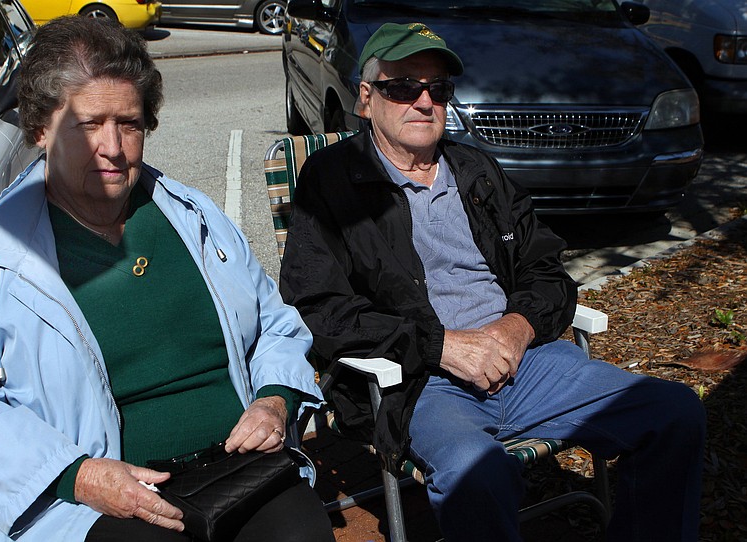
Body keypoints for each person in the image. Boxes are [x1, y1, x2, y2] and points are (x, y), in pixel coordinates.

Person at [0, 16, 334, 542]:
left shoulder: (191, 217)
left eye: (128, 123)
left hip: (236, 471)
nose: (114, 146)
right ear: (41, 129)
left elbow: (274, 323)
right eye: (88, 124)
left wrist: (274, 398)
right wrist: (78, 476)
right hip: (102, 498)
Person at [279, 22, 706, 541]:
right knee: (474, 470)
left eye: (438, 89)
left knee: (675, 414)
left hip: (527, 363)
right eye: (402, 86)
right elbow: (317, 307)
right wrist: (443, 346)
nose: (423, 101)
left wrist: (515, 329)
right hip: (422, 383)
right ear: (367, 99)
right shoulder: (331, 181)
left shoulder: (476, 169)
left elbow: (546, 269)